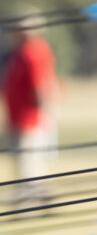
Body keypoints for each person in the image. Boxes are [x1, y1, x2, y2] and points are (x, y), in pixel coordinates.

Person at [2, 12, 58, 203]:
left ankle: (29, 205)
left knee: (29, 165)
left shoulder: (33, 52)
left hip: (30, 120)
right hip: (17, 119)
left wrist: (43, 118)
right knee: (24, 164)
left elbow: (40, 88)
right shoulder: (19, 53)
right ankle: (40, 200)